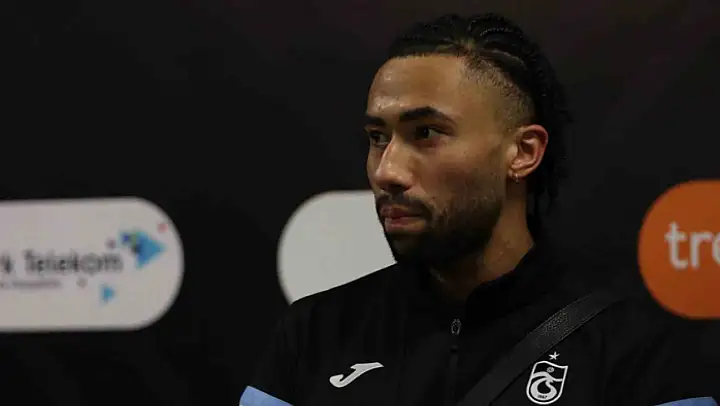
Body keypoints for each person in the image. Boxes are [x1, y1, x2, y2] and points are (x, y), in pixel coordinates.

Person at [241, 13, 719, 406]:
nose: (387, 171)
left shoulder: (635, 355)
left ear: (523, 152)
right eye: (377, 137)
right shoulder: (312, 336)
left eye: (426, 133)